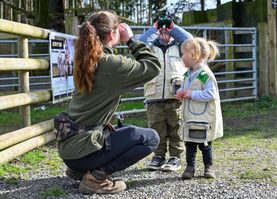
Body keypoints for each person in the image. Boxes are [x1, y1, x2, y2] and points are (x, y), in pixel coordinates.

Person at [56, 11, 161, 194]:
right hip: (83, 150)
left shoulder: (84, 59)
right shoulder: (110, 64)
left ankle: (80, 170)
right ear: (113, 34)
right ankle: (96, 178)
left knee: (125, 130)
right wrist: (131, 40)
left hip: (69, 149)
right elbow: (152, 67)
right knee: (150, 138)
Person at [139, 17, 192, 171]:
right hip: (153, 96)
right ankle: (158, 156)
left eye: (167, 31)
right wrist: (154, 28)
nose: (164, 33)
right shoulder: (149, 49)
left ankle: (175, 157)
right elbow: (140, 43)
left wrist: (173, 28)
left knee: (176, 127)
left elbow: (189, 39)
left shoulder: (179, 48)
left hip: (175, 96)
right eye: (161, 31)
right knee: (157, 128)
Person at [176, 37, 223, 179]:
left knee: (205, 143)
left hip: (203, 118)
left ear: (193, 55)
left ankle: (209, 167)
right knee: (189, 143)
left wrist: (192, 94)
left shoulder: (204, 74)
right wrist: (181, 92)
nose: (181, 57)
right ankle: (190, 168)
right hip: (191, 117)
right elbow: (185, 87)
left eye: (182, 53)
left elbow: (211, 94)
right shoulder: (188, 73)